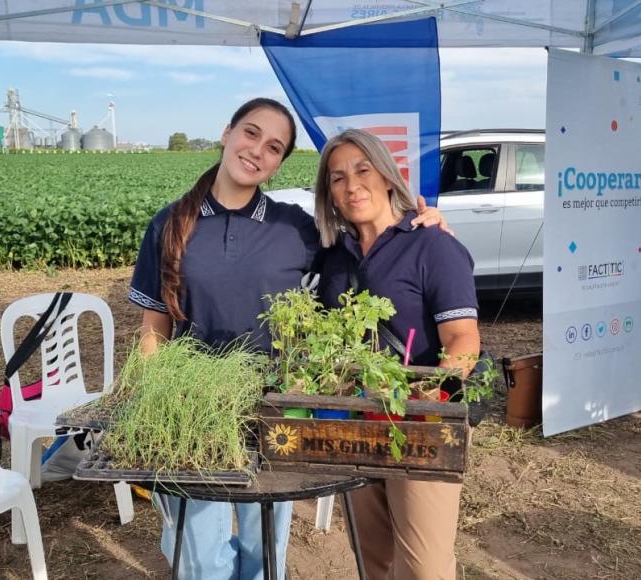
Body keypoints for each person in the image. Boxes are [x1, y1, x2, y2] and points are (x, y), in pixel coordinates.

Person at [128, 99, 448, 580]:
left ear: (279, 162)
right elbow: (155, 328)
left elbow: (369, 246)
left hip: (275, 407)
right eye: (251, 134)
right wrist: (152, 402)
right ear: (227, 132)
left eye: (273, 147)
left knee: (265, 551)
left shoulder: (295, 229)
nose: (257, 151)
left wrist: (424, 228)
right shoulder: (170, 224)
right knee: (201, 557)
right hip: (191, 409)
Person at [314, 128, 480, 580]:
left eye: (363, 170)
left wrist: (426, 400)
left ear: (388, 176)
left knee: (424, 567)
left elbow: (464, 339)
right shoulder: (333, 255)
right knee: (373, 558)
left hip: (419, 425)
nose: (351, 186)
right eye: (337, 177)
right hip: (353, 421)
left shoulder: (432, 245)